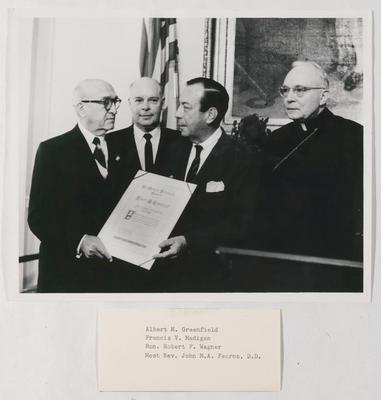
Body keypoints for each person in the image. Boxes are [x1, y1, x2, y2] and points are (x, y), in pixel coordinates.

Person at [152, 77, 258, 291]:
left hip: (209, 276)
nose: (177, 113)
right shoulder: (170, 149)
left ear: (210, 114)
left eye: (186, 107)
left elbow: (242, 224)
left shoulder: (242, 159)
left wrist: (188, 241)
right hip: (162, 273)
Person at [256, 61, 363, 261]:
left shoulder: (353, 136)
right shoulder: (276, 139)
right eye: (285, 91)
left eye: (300, 90)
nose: (289, 98)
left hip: (332, 253)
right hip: (280, 251)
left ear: (323, 96)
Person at [28, 79, 123, 292]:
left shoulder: (123, 147)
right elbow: (38, 217)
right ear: (81, 108)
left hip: (112, 276)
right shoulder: (53, 151)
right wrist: (80, 241)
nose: (114, 110)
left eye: (116, 102)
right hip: (66, 275)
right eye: (106, 102)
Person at [106, 77, 183, 201]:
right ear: (130, 103)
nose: (145, 107)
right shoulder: (109, 142)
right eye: (139, 100)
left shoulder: (182, 141)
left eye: (153, 100)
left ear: (163, 103)